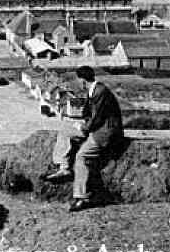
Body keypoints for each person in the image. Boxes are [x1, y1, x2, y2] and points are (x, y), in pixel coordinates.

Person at [43, 65, 124, 212]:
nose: (77, 84)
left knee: (82, 156)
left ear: (83, 81)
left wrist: (83, 127)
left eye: (78, 81)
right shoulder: (93, 91)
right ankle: (64, 168)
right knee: (65, 131)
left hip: (106, 132)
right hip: (97, 127)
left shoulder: (100, 92)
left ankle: (82, 197)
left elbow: (97, 118)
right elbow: (88, 112)